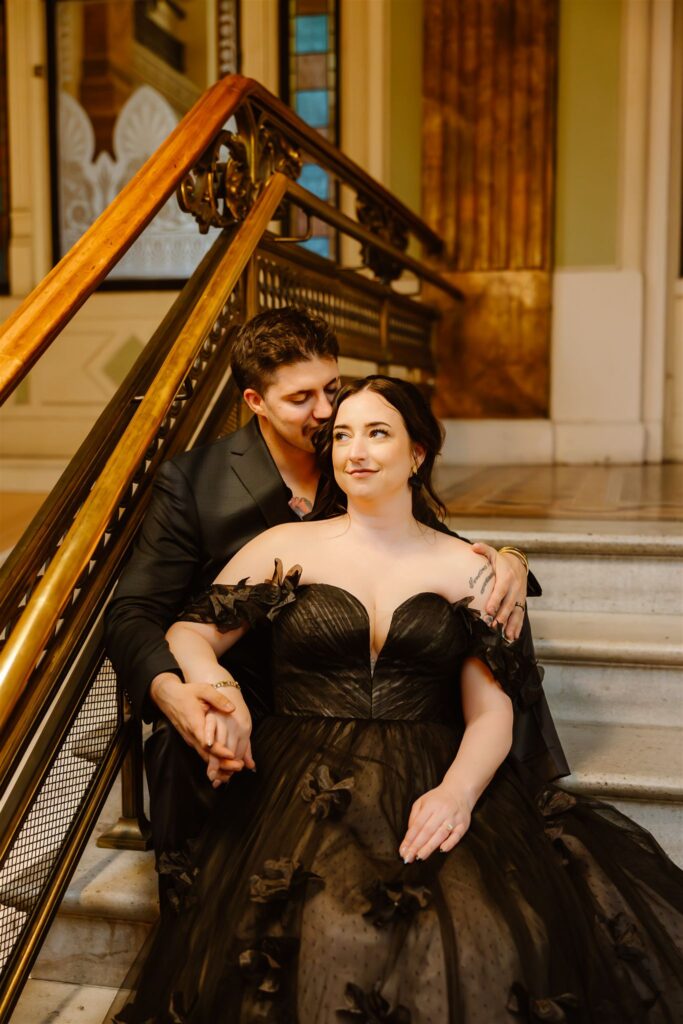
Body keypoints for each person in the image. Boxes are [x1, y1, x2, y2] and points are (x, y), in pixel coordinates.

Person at [116, 376, 682, 1023]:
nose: (355, 450)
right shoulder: (282, 546)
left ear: (417, 453)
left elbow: (491, 711)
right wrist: (222, 694)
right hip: (298, 773)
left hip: (429, 764)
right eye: (342, 435)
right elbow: (188, 634)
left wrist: (456, 794)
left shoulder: (469, 567)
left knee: (484, 928)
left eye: (377, 433)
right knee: (318, 922)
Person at [104, 308, 562, 891]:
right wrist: (194, 691)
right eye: (303, 400)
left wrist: (511, 558)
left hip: (396, 705)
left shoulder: (358, 453)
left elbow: (416, 542)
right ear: (255, 402)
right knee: (187, 752)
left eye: (332, 390)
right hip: (267, 692)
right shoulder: (201, 485)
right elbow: (137, 614)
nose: (327, 416)